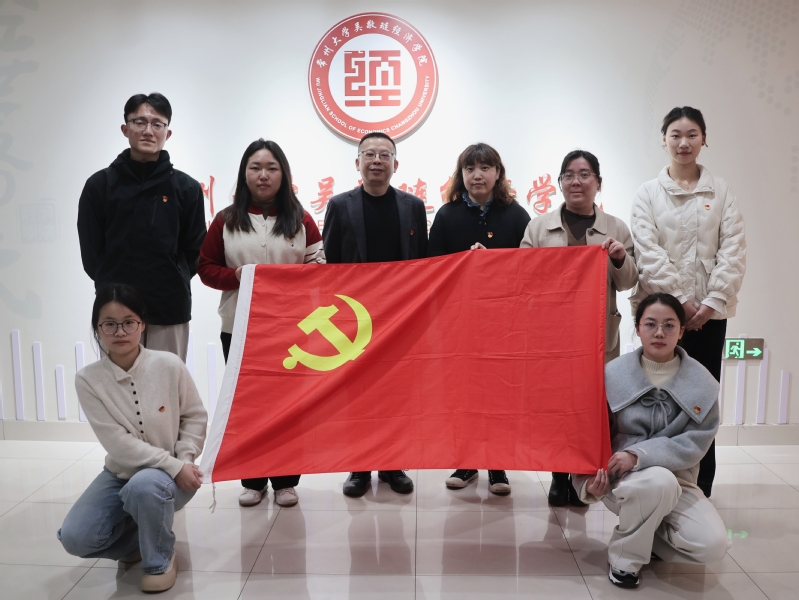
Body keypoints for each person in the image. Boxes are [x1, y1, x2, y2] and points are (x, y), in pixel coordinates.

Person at [572, 293, 730, 589]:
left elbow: (695, 444)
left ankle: (645, 536)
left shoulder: (703, 383)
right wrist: (585, 482)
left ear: (681, 331)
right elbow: (588, 436)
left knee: (712, 545)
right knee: (657, 481)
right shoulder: (610, 376)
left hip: (680, 480)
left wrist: (638, 454)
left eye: (669, 325)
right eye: (650, 324)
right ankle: (624, 561)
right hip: (620, 479)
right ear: (637, 328)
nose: (659, 332)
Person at [57, 283, 207, 594]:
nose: (120, 331)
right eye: (109, 324)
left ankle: (160, 559)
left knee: (145, 485)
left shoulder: (169, 364)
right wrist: (174, 464)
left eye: (129, 322)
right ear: (97, 329)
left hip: (172, 478)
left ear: (143, 324)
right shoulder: (88, 380)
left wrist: (184, 461)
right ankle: (138, 542)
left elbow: (194, 416)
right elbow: (117, 444)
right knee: (76, 538)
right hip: (121, 473)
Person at [198, 139, 324, 508]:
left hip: (292, 329)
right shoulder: (226, 220)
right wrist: (237, 276)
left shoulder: (301, 219)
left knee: (289, 406)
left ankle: (286, 481)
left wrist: (297, 279)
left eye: (271, 168)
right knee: (248, 404)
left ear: (283, 174)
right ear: (244, 174)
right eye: (255, 168)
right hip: (239, 329)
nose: (263, 175)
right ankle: (253, 480)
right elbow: (205, 268)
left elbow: (319, 267)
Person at [631, 106, 746, 498]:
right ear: (664, 139)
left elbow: (733, 249)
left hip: (709, 315)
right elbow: (647, 251)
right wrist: (680, 304)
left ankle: (700, 485)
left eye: (692, 134)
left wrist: (710, 303)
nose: (684, 142)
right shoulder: (648, 193)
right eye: (676, 135)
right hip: (662, 315)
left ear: (704, 139)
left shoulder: (721, 191)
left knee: (701, 397)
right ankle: (658, 479)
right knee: (659, 394)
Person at [521, 149, 638, 507]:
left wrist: (619, 258)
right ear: (559, 183)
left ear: (598, 183)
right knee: (557, 408)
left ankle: (584, 478)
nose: (577, 181)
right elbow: (522, 278)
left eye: (585, 174)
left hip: (598, 336)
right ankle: (559, 477)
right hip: (552, 336)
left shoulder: (616, 228)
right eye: (569, 175)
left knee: (592, 408)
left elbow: (629, 281)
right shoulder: (538, 228)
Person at [322, 132, 428, 497]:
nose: (377, 161)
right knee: (359, 394)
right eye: (370, 154)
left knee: (397, 393)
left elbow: (423, 262)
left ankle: (393, 465)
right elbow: (331, 264)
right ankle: (359, 467)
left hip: (400, 317)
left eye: (385, 155)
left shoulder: (413, 207)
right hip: (356, 318)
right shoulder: (339, 205)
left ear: (396, 164)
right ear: (358, 162)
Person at [429, 142, 531, 495]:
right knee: (464, 395)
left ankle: (497, 466)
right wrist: (464, 263)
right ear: (461, 175)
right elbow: (432, 267)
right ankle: (466, 462)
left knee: (500, 394)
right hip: (459, 323)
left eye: (485, 168)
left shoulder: (516, 215)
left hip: (504, 323)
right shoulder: (447, 215)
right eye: (470, 168)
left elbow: (530, 268)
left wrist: (493, 263)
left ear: (498, 173)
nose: (477, 175)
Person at [77, 93, 207, 362]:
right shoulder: (99, 185)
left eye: (157, 124)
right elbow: (91, 252)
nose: (148, 130)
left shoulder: (187, 188)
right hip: (115, 309)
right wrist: (111, 284)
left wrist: (174, 277)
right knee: (117, 384)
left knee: (167, 383)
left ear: (167, 133)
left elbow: (195, 250)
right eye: (139, 122)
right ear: (125, 129)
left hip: (168, 306)